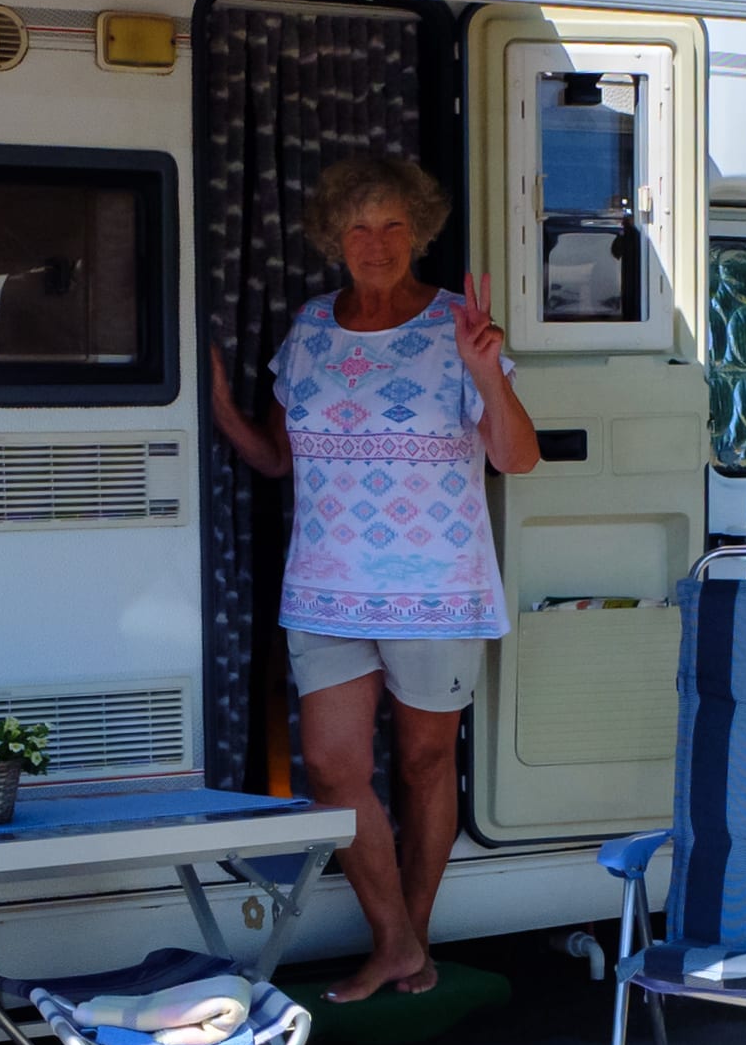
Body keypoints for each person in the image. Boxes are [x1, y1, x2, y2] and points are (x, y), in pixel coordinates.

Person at [208, 155, 541, 1000]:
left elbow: (516, 457)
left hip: (437, 585)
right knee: (332, 769)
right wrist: (212, 402)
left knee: (426, 766)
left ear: (418, 231)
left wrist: (483, 374)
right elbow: (279, 460)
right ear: (332, 238)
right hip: (324, 585)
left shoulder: (461, 326)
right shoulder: (310, 329)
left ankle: (409, 941)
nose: (375, 242)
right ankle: (395, 941)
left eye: (392, 224)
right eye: (358, 226)